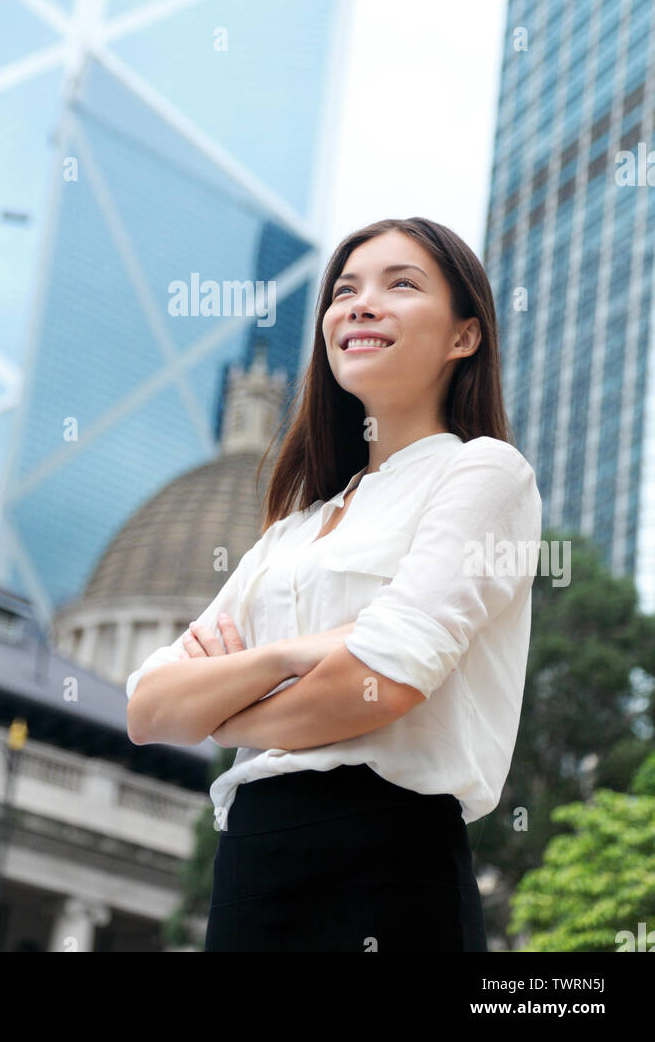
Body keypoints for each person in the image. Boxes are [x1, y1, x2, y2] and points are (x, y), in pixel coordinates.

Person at [126, 216, 543, 952]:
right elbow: (150, 710)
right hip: (250, 871)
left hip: (385, 862)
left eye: (400, 285)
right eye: (345, 289)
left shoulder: (483, 474)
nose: (360, 303)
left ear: (464, 336)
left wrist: (223, 710)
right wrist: (285, 659)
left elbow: (385, 680)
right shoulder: (291, 531)